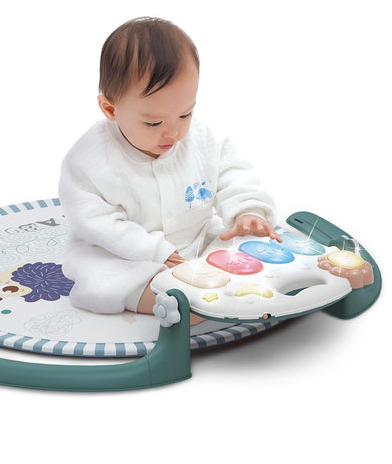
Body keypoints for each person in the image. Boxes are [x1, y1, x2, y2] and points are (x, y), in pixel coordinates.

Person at [58, 16, 281, 324]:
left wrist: (247, 211)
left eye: (185, 114)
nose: (173, 133)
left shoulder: (203, 139)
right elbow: (96, 222)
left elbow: (234, 174)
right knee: (105, 277)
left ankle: (227, 283)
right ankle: (179, 300)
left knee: (247, 244)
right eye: (153, 123)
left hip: (198, 242)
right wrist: (154, 251)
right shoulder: (89, 161)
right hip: (128, 255)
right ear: (110, 108)